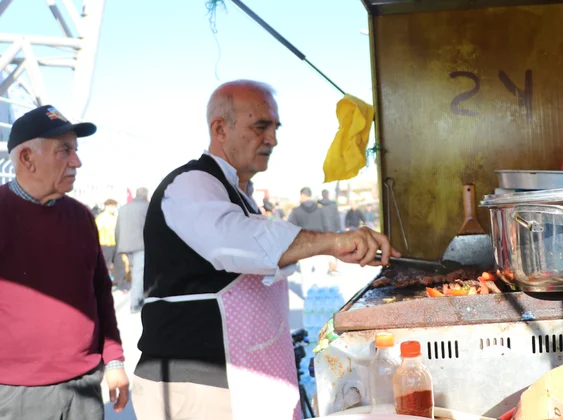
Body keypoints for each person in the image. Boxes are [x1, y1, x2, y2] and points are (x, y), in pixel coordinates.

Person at [132, 80, 399, 420]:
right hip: (199, 385)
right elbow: (238, 241)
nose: (272, 139)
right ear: (219, 128)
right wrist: (332, 242)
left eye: (274, 127)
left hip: (238, 381)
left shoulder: (237, 193)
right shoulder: (190, 183)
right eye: (260, 126)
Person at [0, 105, 129, 419]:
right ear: (26, 159)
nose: (77, 161)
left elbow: (101, 292)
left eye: (76, 150)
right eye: (64, 151)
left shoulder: (82, 216)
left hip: (84, 386)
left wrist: (113, 361)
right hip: (16, 393)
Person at [115, 187, 149, 313]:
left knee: (136, 272)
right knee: (138, 274)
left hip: (125, 245)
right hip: (141, 245)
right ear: (146, 196)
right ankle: (135, 303)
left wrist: (119, 246)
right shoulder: (147, 207)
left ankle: (139, 297)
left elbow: (117, 228)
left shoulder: (124, 208)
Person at [95, 198, 124, 288]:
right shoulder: (101, 218)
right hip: (105, 245)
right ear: (106, 206)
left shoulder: (115, 218)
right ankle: (103, 284)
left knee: (119, 265)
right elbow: (96, 231)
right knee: (105, 266)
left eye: (114, 207)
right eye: (112, 206)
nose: (113, 208)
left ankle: (120, 284)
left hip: (115, 244)